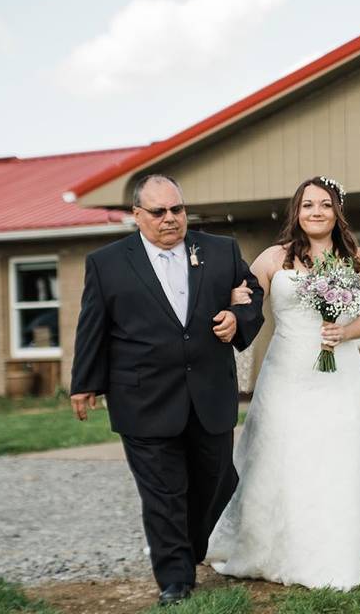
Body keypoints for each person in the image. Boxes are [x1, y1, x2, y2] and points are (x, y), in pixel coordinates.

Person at [68, 175, 264, 606]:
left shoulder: (220, 250)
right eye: (159, 212)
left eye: (177, 209)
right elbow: (92, 326)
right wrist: (84, 382)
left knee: (216, 480)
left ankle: (190, 548)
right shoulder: (107, 263)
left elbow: (252, 295)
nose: (171, 219)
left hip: (209, 392)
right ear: (137, 216)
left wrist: (236, 318)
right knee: (163, 491)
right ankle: (175, 578)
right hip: (143, 396)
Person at [207, 176, 360, 591]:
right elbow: (244, 297)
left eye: (324, 204)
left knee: (336, 456)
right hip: (286, 373)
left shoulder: (358, 259)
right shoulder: (274, 258)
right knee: (281, 453)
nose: (316, 212)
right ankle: (269, 545)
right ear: (296, 211)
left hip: (339, 373)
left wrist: (343, 333)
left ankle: (331, 551)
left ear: (337, 211)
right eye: (307, 204)